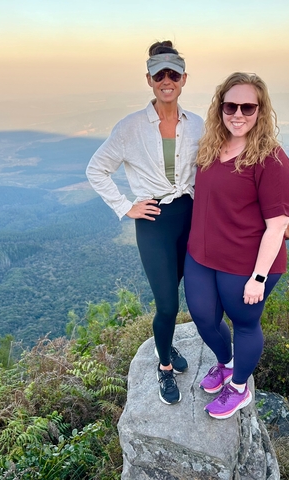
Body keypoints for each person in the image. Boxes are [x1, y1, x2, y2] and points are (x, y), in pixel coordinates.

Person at [86, 41, 204, 405]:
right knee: (167, 304)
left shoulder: (197, 124)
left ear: (183, 78)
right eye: (159, 75)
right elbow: (96, 169)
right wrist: (126, 206)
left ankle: (163, 345)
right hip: (154, 221)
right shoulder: (131, 127)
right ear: (150, 80)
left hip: (191, 217)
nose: (166, 81)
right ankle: (165, 366)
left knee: (180, 293)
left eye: (173, 74)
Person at [184, 72, 289, 419]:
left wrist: (259, 278)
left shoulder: (271, 160)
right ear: (220, 108)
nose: (238, 114)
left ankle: (239, 387)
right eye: (230, 106)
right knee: (204, 317)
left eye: (247, 107)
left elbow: (277, 224)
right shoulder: (211, 146)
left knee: (244, 322)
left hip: (248, 262)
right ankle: (226, 363)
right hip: (203, 253)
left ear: (260, 111)